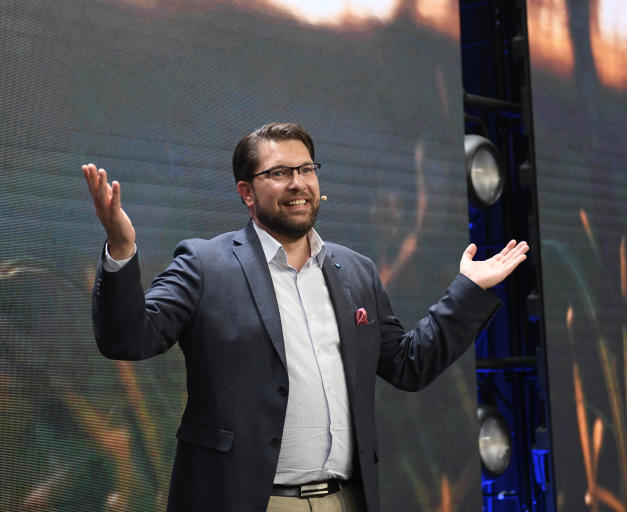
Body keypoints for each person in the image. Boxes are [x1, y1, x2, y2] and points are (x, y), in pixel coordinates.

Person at [82, 122, 528, 512]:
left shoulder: (355, 271)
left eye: (306, 169)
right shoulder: (205, 264)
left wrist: (468, 290)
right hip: (249, 501)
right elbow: (129, 338)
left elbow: (409, 364)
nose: (298, 182)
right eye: (278, 173)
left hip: (345, 499)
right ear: (246, 192)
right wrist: (121, 249)